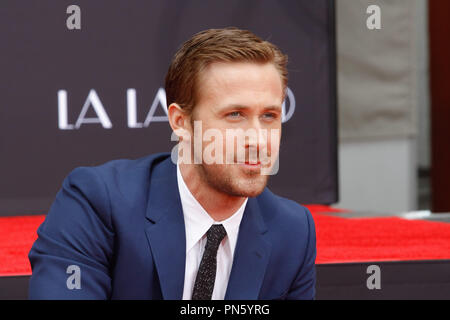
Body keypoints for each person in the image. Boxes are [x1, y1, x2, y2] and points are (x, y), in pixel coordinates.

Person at [28, 27, 316, 300]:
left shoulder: (292, 230)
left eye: (269, 116)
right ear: (181, 123)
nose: (257, 140)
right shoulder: (97, 203)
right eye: (235, 115)